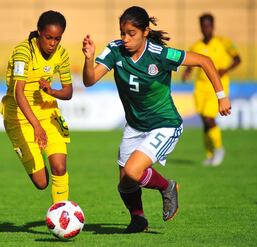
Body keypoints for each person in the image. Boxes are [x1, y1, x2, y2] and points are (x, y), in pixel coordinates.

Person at [82, 6, 231, 233]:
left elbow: (205, 61)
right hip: (134, 125)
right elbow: (89, 80)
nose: (125, 39)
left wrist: (221, 97)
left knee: (133, 171)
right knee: (125, 183)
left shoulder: (159, 54)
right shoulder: (115, 50)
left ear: (145, 31)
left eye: (131, 33)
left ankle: (167, 186)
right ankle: (138, 219)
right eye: (122, 33)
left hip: (164, 123)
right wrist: (89, 58)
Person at [0, 10, 73, 204]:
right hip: (19, 119)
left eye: (57, 39)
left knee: (59, 167)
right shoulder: (23, 52)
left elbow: (68, 92)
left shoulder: (62, 54)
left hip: (48, 113)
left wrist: (51, 91)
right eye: (49, 38)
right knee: (41, 182)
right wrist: (36, 127)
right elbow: (18, 92)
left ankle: (61, 213)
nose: (53, 43)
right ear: (39, 32)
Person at [182, 13, 241, 166]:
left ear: (213, 26)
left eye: (208, 25)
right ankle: (209, 154)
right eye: (203, 25)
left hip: (216, 85)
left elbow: (237, 59)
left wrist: (225, 70)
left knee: (209, 118)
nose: (205, 28)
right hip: (200, 86)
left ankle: (219, 149)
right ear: (200, 27)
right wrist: (187, 72)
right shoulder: (197, 46)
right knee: (204, 121)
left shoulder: (223, 42)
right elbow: (192, 63)